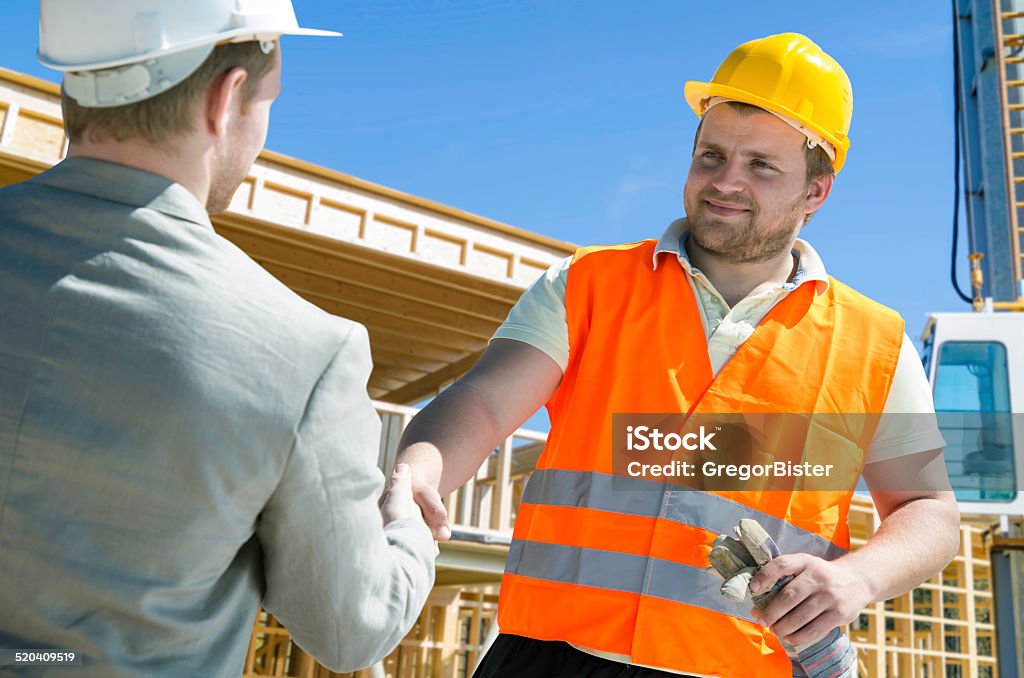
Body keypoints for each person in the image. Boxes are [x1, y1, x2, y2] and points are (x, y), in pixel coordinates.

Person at [389, 33, 961, 677]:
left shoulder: (876, 343)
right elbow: (486, 401)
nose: (725, 182)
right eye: (710, 155)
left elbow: (929, 512)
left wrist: (857, 578)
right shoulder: (586, 284)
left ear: (816, 190)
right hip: (550, 660)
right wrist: (422, 465)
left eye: (761, 166)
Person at [0, 1, 435, 675]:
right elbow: (353, 628)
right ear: (226, 98)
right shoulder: (305, 351)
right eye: (269, 101)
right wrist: (407, 528)